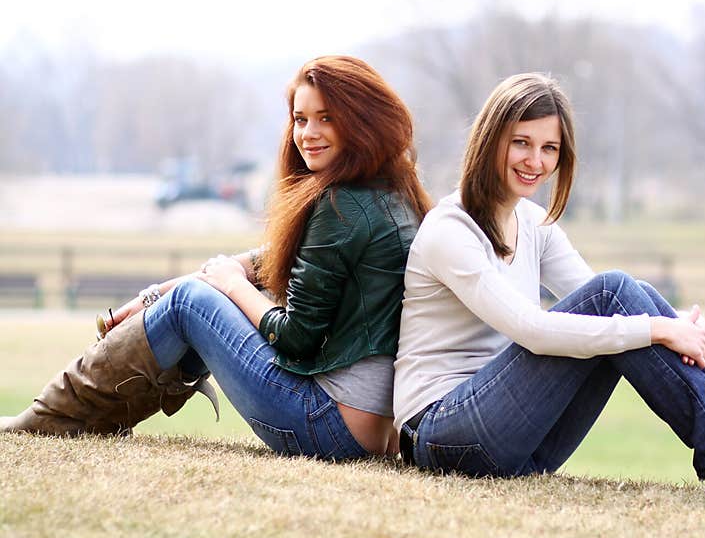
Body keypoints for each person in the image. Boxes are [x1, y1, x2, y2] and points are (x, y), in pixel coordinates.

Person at [393, 72, 705, 509]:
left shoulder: (533, 222)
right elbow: (534, 329)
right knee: (620, 298)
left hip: (517, 448)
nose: (536, 161)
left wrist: (674, 326)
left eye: (549, 148)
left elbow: (597, 295)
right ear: (491, 139)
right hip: (442, 437)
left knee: (631, 293)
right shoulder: (450, 229)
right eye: (521, 142)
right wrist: (659, 328)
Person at [2, 55, 431, 460]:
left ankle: (51, 418)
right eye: (300, 119)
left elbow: (297, 337)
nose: (308, 133)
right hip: (369, 429)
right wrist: (159, 294)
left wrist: (230, 285)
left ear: (362, 120)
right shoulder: (390, 194)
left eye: (327, 118)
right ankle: (79, 414)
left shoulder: (342, 206)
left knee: (193, 303)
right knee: (187, 296)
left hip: (327, 426)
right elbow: (286, 260)